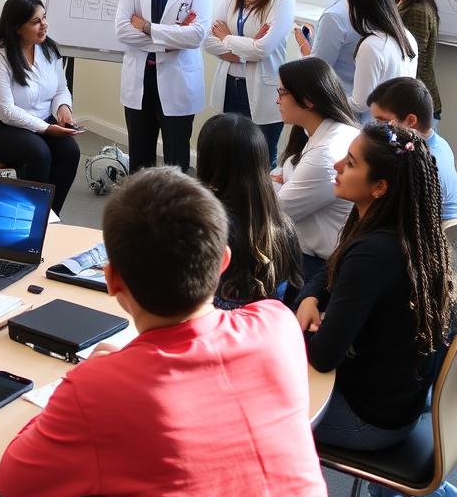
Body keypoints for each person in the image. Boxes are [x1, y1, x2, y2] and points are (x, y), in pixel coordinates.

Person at [0, 169, 347, 497]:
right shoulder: (277, 326)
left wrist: (84, 382)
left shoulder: (100, 388)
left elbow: (17, 488)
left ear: (112, 281)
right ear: (223, 261)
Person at [297, 122, 454, 451]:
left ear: (380, 187)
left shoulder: (373, 254)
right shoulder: (409, 232)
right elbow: (332, 265)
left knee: (249, 408)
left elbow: (325, 356)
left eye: (351, 163)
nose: (338, 165)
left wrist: (315, 328)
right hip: (400, 407)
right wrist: (312, 295)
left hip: (367, 420)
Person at [114, 0, 213, 173]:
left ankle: (176, 215)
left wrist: (146, 27)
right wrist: (170, 38)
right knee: (140, 161)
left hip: (178, 82)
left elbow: (196, 36)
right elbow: (122, 30)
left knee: (176, 162)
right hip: (141, 82)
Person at [0, 0, 79, 214]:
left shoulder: (48, 48)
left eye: (44, 18)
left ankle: (49, 217)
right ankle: (25, 217)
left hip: (39, 121)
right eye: (35, 21)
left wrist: (63, 109)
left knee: (70, 152)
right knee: (39, 154)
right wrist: (48, 128)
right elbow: (6, 111)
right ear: (17, 27)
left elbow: (61, 88)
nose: (44, 25)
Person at [204, 0, 295, 166]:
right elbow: (208, 39)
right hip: (230, 86)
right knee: (230, 158)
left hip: (263, 92)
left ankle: (262, 206)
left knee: (260, 161)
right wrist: (247, 49)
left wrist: (227, 38)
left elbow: (263, 49)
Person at [195, 113, 301, 308]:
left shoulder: (204, 227)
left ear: (207, 162)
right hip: (268, 333)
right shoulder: (284, 226)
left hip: (215, 335)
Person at [274, 58, 360, 281]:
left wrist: (285, 177)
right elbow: (291, 164)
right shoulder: (326, 130)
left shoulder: (325, 154)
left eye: (282, 92)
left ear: (308, 100)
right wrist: (288, 175)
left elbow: (276, 211)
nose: (277, 100)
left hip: (318, 266)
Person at [368, 77, 457, 221]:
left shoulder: (419, 163)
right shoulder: (439, 143)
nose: (377, 129)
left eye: (382, 121)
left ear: (410, 121)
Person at [380, 0, 442, 119]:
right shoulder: (400, 4)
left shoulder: (418, 11)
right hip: (406, 100)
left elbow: (413, 61)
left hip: (416, 104)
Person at [345, 0, 417, 119]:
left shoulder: (371, 45)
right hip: (396, 123)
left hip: (373, 127)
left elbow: (361, 103)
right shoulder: (406, 36)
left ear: (359, 6)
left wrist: (330, 99)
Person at [293, 0, 361, 93]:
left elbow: (318, 68)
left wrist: (304, 45)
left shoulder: (334, 15)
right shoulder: (363, 2)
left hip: (340, 97)